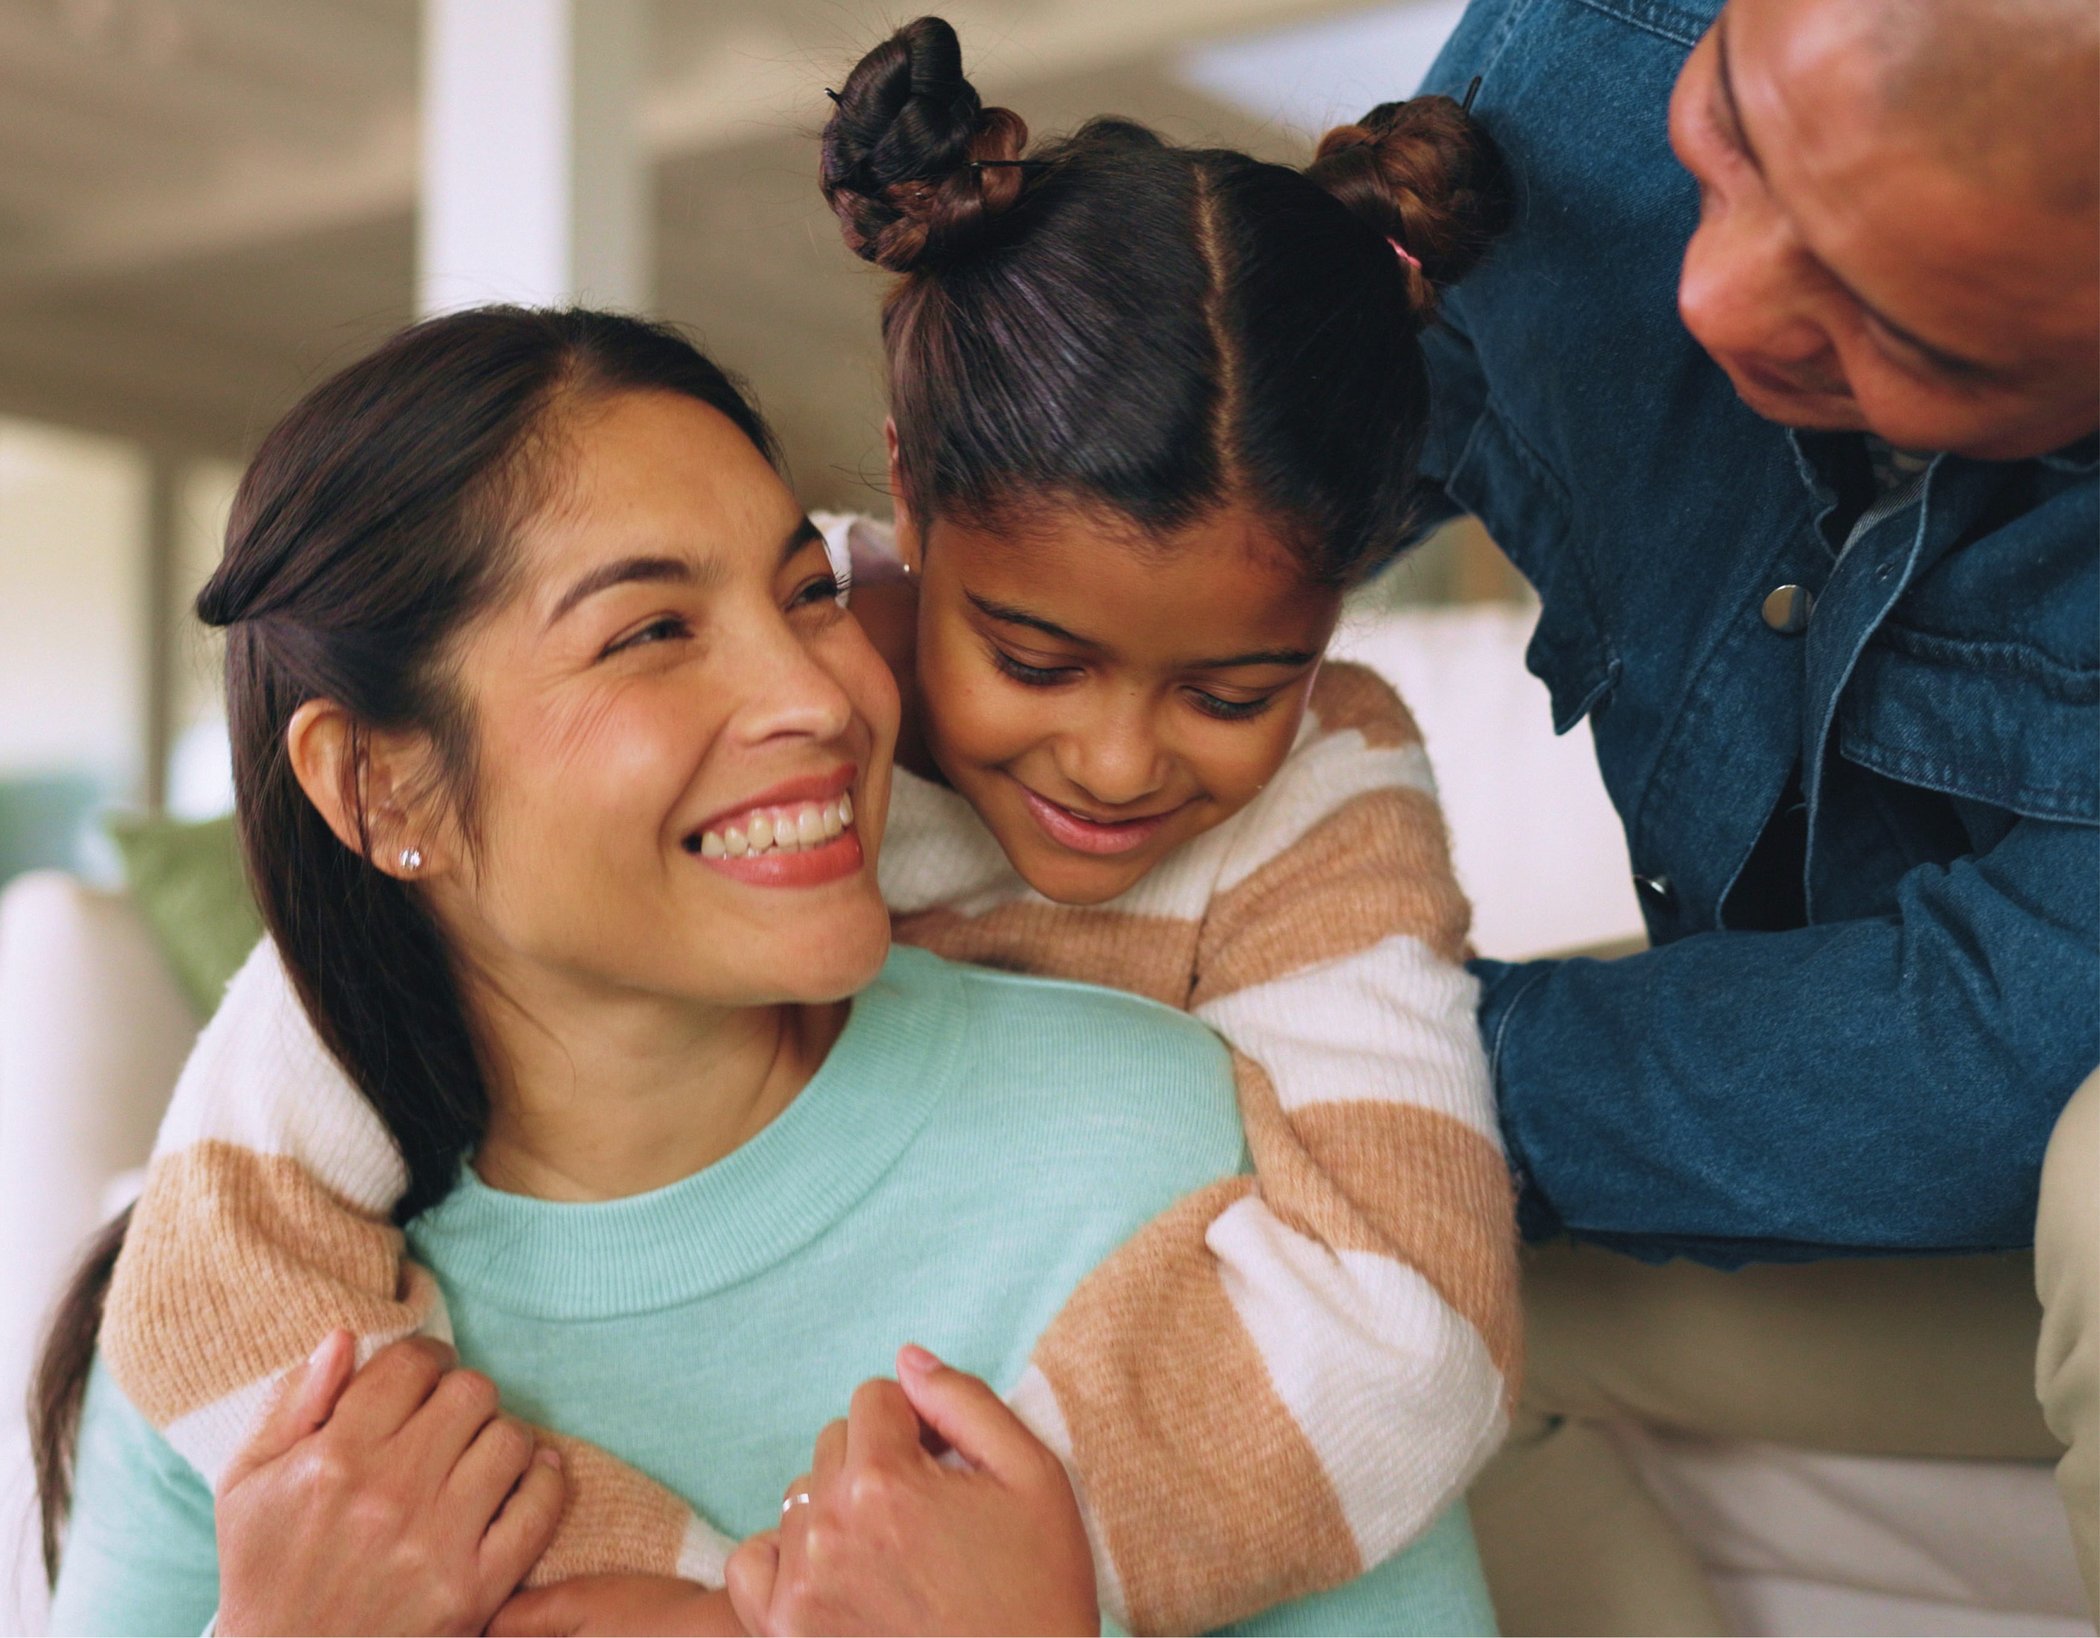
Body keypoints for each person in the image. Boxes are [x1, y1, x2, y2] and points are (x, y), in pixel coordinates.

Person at [35, 307, 1498, 1638]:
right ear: (380, 788)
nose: (818, 695)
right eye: (653, 631)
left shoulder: (1161, 1149)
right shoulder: (248, 1359)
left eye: (808, 592)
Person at [1403, 0, 2098, 1626]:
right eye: (1731, 135)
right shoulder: (1586, 46)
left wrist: (1384, 1047)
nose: (1711, 292)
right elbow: (1283, 437)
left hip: (2024, 1143)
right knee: (1343, 1281)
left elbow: (1992, 1048)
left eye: (1896, 328)